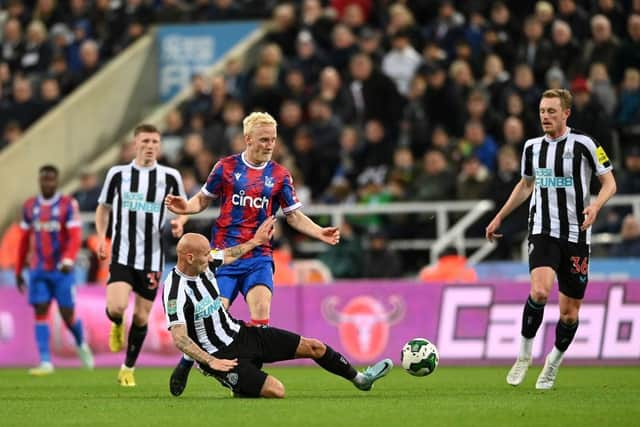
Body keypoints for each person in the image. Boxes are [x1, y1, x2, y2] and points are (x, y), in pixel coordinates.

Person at [164, 112, 340, 396]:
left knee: (261, 315)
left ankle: (248, 378)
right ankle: (188, 361)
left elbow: (293, 216)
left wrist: (318, 231)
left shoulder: (280, 175)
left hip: (258, 256)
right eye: (263, 139)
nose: (269, 144)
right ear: (248, 139)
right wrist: (184, 207)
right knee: (213, 316)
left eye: (272, 139)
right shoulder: (226, 167)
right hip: (223, 255)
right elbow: (203, 199)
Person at [485, 89, 617, 390]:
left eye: (551, 111)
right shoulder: (532, 147)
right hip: (542, 229)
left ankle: (553, 362)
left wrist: (595, 206)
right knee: (540, 292)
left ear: (566, 113)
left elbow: (610, 182)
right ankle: (524, 354)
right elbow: (525, 185)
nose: (545, 116)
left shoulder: (585, 144)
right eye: (543, 111)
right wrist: (500, 216)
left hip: (576, 235)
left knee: (569, 314)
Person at [164, 231, 392, 398]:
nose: (210, 257)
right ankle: (236, 384)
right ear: (189, 258)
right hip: (220, 354)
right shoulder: (175, 290)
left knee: (314, 347)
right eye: (205, 255)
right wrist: (211, 361)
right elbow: (180, 337)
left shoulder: (206, 263)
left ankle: (360, 380)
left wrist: (256, 241)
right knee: (276, 391)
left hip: (242, 333)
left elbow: (229, 254)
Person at [95, 124, 188, 387]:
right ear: (135, 144)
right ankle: (115, 323)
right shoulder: (118, 174)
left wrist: (180, 222)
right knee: (117, 307)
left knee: (141, 317)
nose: (150, 146)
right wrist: (102, 237)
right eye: (145, 141)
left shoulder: (170, 176)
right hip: (123, 254)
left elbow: (183, 206)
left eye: (155, 142)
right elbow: (103, 208)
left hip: (152, 257)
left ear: (160, 146)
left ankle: (128, 368)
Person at [15, 165, 94, 375]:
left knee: (66, 313)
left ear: (57, 181)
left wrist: (68, 259)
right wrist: (18, 269)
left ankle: (80, 342)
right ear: (40, 181)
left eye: (51, 180)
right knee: (40, 310)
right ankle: (45, 361)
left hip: (62, 270)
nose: (48, 183)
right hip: (38, 269)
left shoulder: (68, 204)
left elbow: (76, 236)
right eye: (44, 179)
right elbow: (23, 240)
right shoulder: (30, 206)